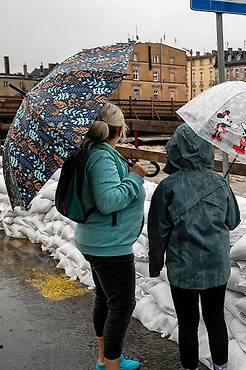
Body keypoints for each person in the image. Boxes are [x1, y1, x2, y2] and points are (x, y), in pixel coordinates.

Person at [148, 124, 240, 370]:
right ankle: (221, 367)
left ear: (175, 150)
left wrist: (155, 265)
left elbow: (157, 232)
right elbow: (233, 220)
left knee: (187, 323)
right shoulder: (220, 184)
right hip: (216, 266)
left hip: (183, 267)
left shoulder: (167, 187)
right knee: (215, 319)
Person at [74, 103, 147, 370]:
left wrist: (127, 172)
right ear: (119, 129)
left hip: (98, 239)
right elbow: (108, 201)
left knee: (105, 299)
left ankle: (105, 360)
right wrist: (136, 178)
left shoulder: (96, 152)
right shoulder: (101, 157)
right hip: (109, 246)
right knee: (122, 306)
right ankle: (111, 366)